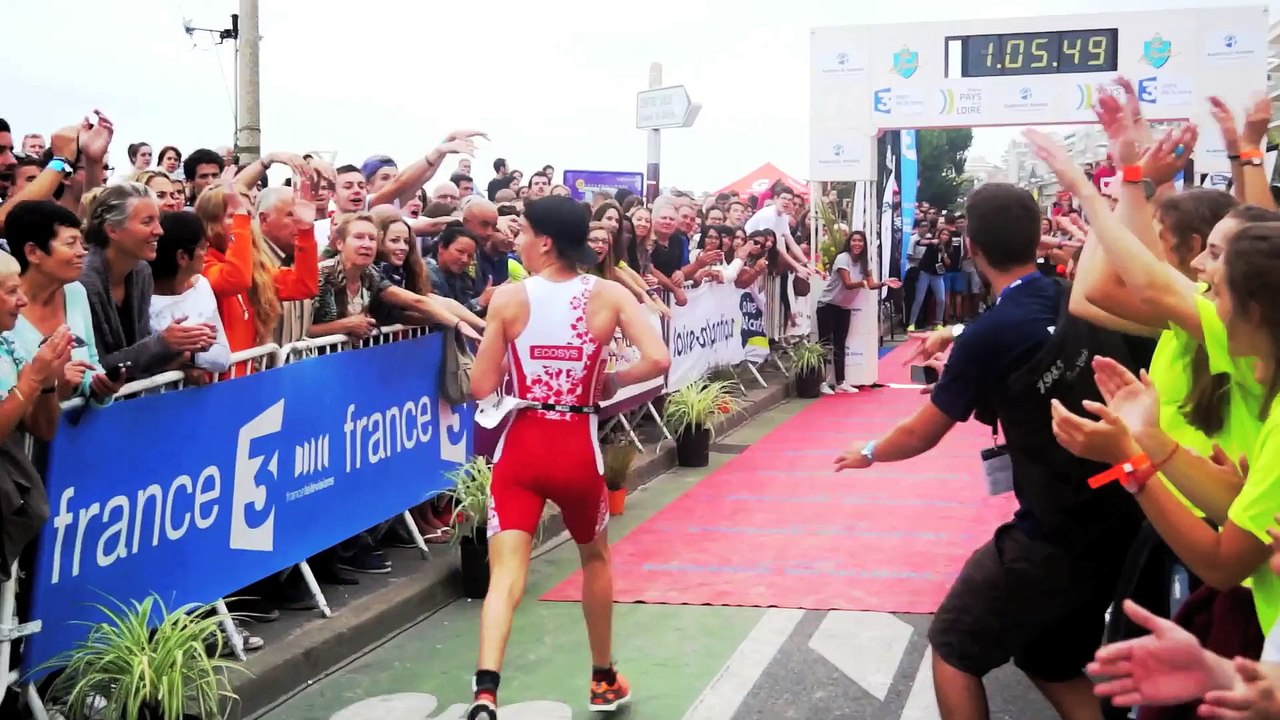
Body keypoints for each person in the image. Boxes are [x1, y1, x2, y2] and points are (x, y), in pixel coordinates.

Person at [834, 183, 1144, 720]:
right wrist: (957, 334)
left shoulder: (990, 337)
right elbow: (1017, 333)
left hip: (1053, 530)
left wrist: (868, 450)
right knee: (1051, 660)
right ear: (1037, 236)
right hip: (1123, 511)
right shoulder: (1077, 292)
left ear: (970, 245)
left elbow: (921, 433)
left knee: (954, 647)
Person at [466, 195, 670, 719]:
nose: (518, 240)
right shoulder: (609, 294)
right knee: (595, 557)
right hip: (576, 442)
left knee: (505, 574)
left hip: (523, 446)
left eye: (524, 232)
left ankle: (486, 692)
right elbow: (658, 359)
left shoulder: (508, 299)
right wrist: (611, 379)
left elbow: (481, 384)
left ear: (546, 241)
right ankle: (603, 679)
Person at [817, 230, 900, 395]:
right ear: (849, 242)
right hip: (828, 305)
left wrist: (884, 283)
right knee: (825, 344)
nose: (857, 244)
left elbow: (870, 284)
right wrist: (863, 283)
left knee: (840, 344)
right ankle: (821, 382)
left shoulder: (864, 262)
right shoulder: (842, 258)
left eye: (860, 241)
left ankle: (841, 382)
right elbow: (848, 284)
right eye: (854, 240)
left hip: (844, 308)